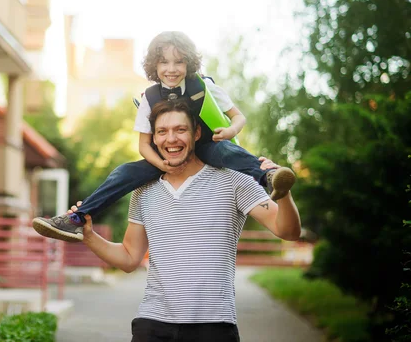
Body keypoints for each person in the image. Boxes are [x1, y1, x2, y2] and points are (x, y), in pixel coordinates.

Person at [73, 98, 302, 342]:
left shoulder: (234, 180)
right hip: (152, 325)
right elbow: (130, 258)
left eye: (180, 130)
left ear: (196, 133)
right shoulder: (143, 190)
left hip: (214, 326)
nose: (170, 139)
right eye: (162, 131)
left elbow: (287, 231)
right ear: (153, 137)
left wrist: (284, 192)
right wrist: (88, 236)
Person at [33, 31, 296, 242]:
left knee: (229, 152)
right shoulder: (149, 97)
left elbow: (239, 116)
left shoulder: (204, 86)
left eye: (179, 61)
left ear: (189, 63)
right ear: (154, 65)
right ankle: (77, 219)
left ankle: (270, 178)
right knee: (123, 173)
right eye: (164, 62)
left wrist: (230, 131)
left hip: (206, 146)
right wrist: (162, 165)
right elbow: (144, 145)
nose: (171, 69)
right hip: (162, 156)